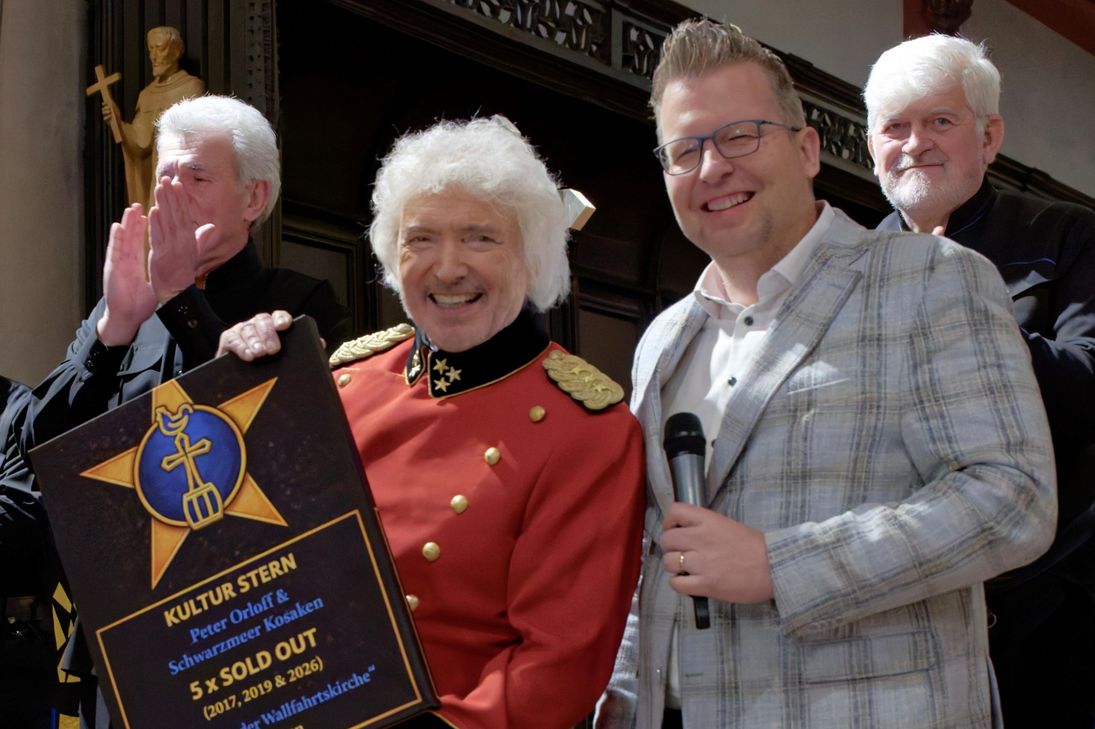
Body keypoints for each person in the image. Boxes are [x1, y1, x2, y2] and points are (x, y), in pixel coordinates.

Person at [596, 19, 1055, 729]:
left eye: (740, 135)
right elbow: (650, 555)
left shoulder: (930, 277)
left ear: (807, 149)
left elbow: (1013, 500)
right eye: (685, 150)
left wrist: (780, 564)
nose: (712, 167)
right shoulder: (664, 336)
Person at [218, 116, 645, 729]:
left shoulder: (585, 430)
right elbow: (238, 563)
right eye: (420, 238)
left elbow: (557, 667)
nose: (447, 269)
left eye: (480, 239)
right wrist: (230, 404)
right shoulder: (341, 384)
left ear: (533, 258)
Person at [22, 94, 351, 728]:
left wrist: (180, 299)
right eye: (164, 176)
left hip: (248, 627)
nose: (172, 192)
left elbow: (299, 451)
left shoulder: (299, 301)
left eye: (196, 178)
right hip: (127, 629)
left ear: (254, 199)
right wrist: (113, 329)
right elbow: (40, 447)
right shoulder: (123, 306)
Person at [864, 34, 1095, 728]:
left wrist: (968, 312)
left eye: (939, 121)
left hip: (1044, 608)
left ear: (989, 136)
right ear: (871, 145)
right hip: (890, 609)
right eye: (895, 127)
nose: (914, 144)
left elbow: (1089, 386)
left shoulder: (1065, 236)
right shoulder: (844, 267)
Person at [101, 26, 206, 210]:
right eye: (151, 49)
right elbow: (141, 142)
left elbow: (196, 138)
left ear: (176, 51)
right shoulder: (147, 95)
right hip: (156, 184)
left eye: (160, 48)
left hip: (179, 180)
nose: (153, 56)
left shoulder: (191, 87)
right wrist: (117, 122)